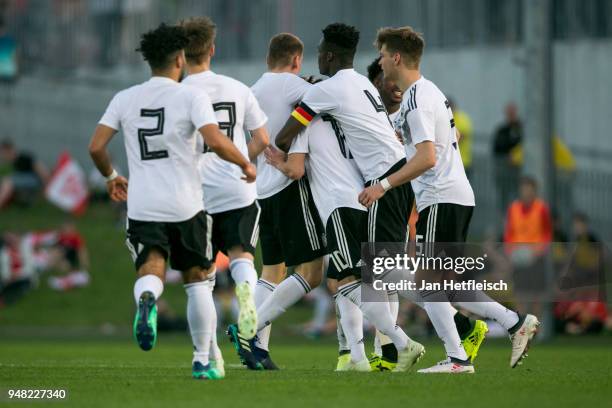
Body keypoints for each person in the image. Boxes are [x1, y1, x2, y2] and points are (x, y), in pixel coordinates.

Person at [364, 26, 539, 372]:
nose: (380, 61)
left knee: (429, 285)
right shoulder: (429, 92)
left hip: (441, 197)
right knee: (445, 286)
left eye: (383, 54)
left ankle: (459, 358)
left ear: (396, 57)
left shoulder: (415, 97)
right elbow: (451, 133)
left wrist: (382, 185)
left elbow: (427, 157)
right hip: (454, 196)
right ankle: (514, 323)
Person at [88, 23, 255, 381]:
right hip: (187, 205)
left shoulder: (125, 98)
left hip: (144, 205)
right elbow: (216, 139)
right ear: (180, 58)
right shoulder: (190, 97)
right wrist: (244, 162)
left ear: (149, 60)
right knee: (198, 281)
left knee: (151, 269)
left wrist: (111, 177)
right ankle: (201, 360)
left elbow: (96, 146)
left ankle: (147, 298)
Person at [273, 23, 426, 373]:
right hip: (391, 178)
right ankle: (386, 351)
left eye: (319, 55)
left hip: (385, 180)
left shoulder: (328, 90)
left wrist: (277, 148)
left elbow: (286, 137)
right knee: (374, 274)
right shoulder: (357, 82)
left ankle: (457, 320)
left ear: (327, 55)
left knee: (378, 274)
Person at [366, 57, 487, 372]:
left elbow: (433, 150)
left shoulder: (414, 100)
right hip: (413, 192)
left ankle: (466, 338)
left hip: (413, 191)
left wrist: (386, 182)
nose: (392, 86)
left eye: (392, 77)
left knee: (387, 271)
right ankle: (393, 348)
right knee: (392, 273)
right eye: (385, 81)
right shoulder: (400, 105)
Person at [227, 33, 327, 370]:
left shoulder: (251, 90)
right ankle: (248, 330)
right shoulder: (289, 85)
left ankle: (258, 351)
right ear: (295, 60)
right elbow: (326, 95)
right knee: (312, 272)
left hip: (261, 191)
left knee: (271, 271)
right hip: (287, 185)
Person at [181, 17, 270, 348]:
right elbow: (262, 137)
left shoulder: (179, 93)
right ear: (212, 50)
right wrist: (243, 159)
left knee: (202, 276)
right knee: (242, 256)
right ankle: (245, 295)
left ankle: (208, 350)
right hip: (237, 187)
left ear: (181, 54)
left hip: (195, 194)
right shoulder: (238, 88)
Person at [0, 139, 49, 208]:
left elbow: (43, 171)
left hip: (34, 180)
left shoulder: (24, 157)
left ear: (10, 150)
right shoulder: (13, 160)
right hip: (25, 178)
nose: (3, 156)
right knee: (5, 179)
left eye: (4, 153)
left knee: (7, 182)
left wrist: (45, 188)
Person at [493, 102, 522, 216]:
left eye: (512, 112)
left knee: (517, 197)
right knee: (504, 199)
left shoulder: (521, 129)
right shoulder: (501, 130)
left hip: (517, 172)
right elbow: (497, 147)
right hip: (503, 172)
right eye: (509, 112)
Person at [448, 98, 473, 179]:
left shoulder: (462, 118)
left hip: (463, 162)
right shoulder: (447, 118)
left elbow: (462, 136)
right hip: (450, 163)